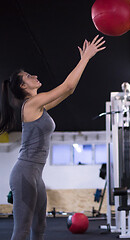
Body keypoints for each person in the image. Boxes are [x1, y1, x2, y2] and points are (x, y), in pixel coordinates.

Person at [0, 35, 105, 240]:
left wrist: (84, 60)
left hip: (35, 176)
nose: (34, 75)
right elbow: (65, 86)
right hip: (24, 174)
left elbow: (70, 90)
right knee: (22, 230)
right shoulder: (31, 104)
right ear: (23, 87)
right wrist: (85, 58)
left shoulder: (40, 106)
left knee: (39, 227)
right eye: (29, 76)